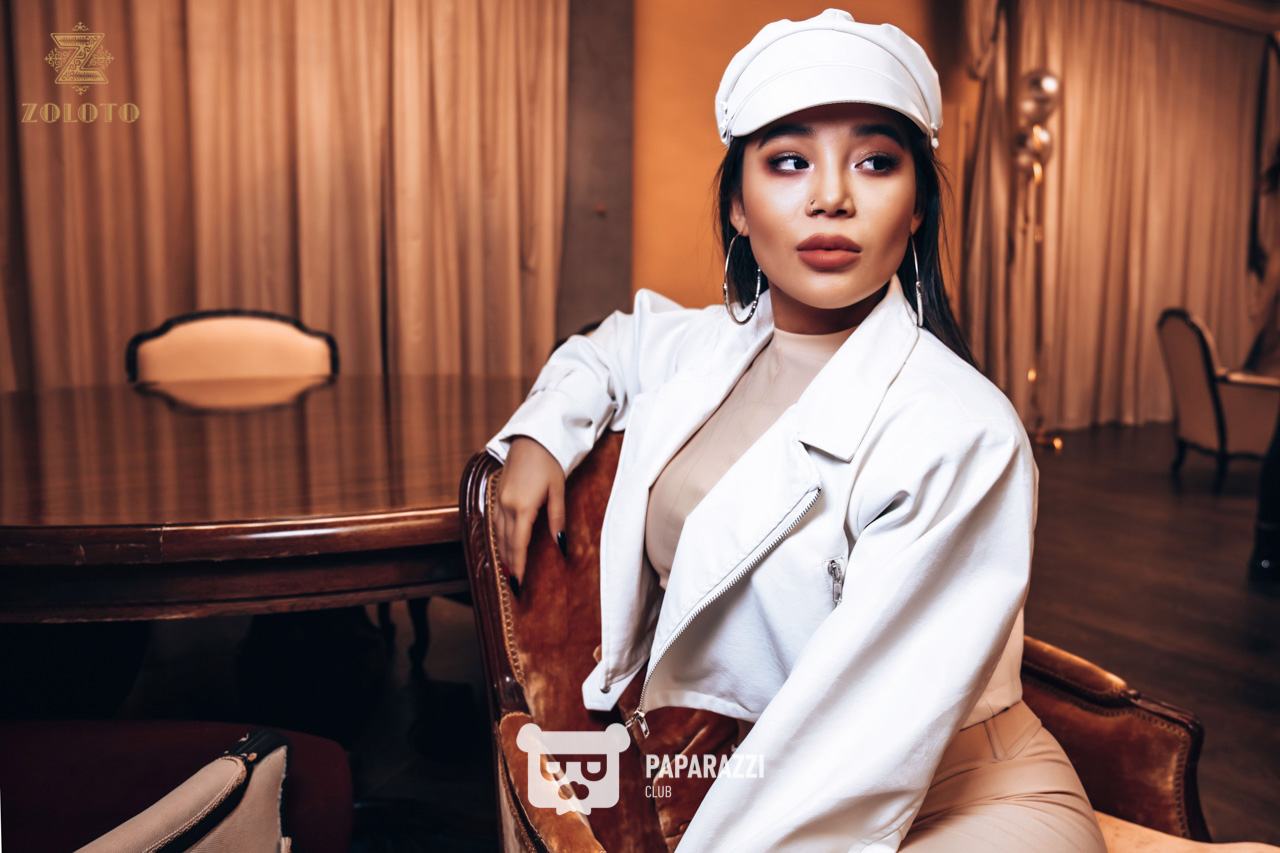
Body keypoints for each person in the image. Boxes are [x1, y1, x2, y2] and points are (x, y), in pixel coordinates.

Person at [485, 9, 1107, 851]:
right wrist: (538, 438)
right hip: (764, 783)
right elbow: (608, 347)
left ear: (916, 208)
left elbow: (855, 742)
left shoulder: (964, 430)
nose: (831, 197)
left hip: (967, 800)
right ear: (738, 206)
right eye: (788, 161)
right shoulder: (715, 345)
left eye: (875, 162)